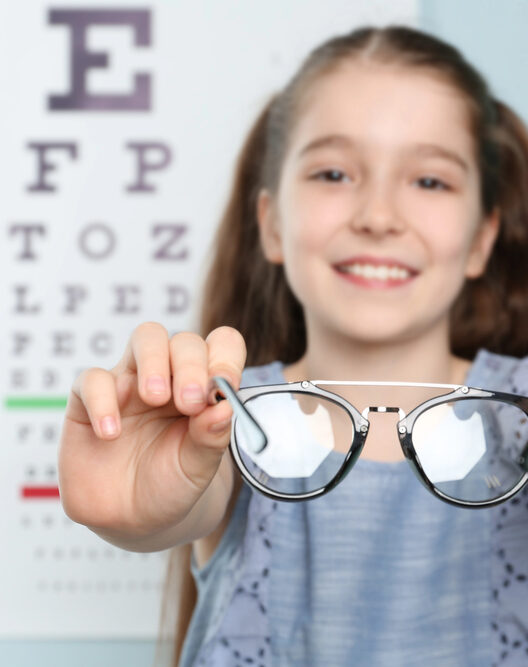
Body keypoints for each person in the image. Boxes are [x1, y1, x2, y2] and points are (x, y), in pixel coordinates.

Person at [58, 25, 528, 666]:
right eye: (334, 173)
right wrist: (132, 507)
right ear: (271, 225)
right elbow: (181, 503)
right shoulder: (224, 421)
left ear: (482, 238)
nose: (379, 216)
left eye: (430, 182)